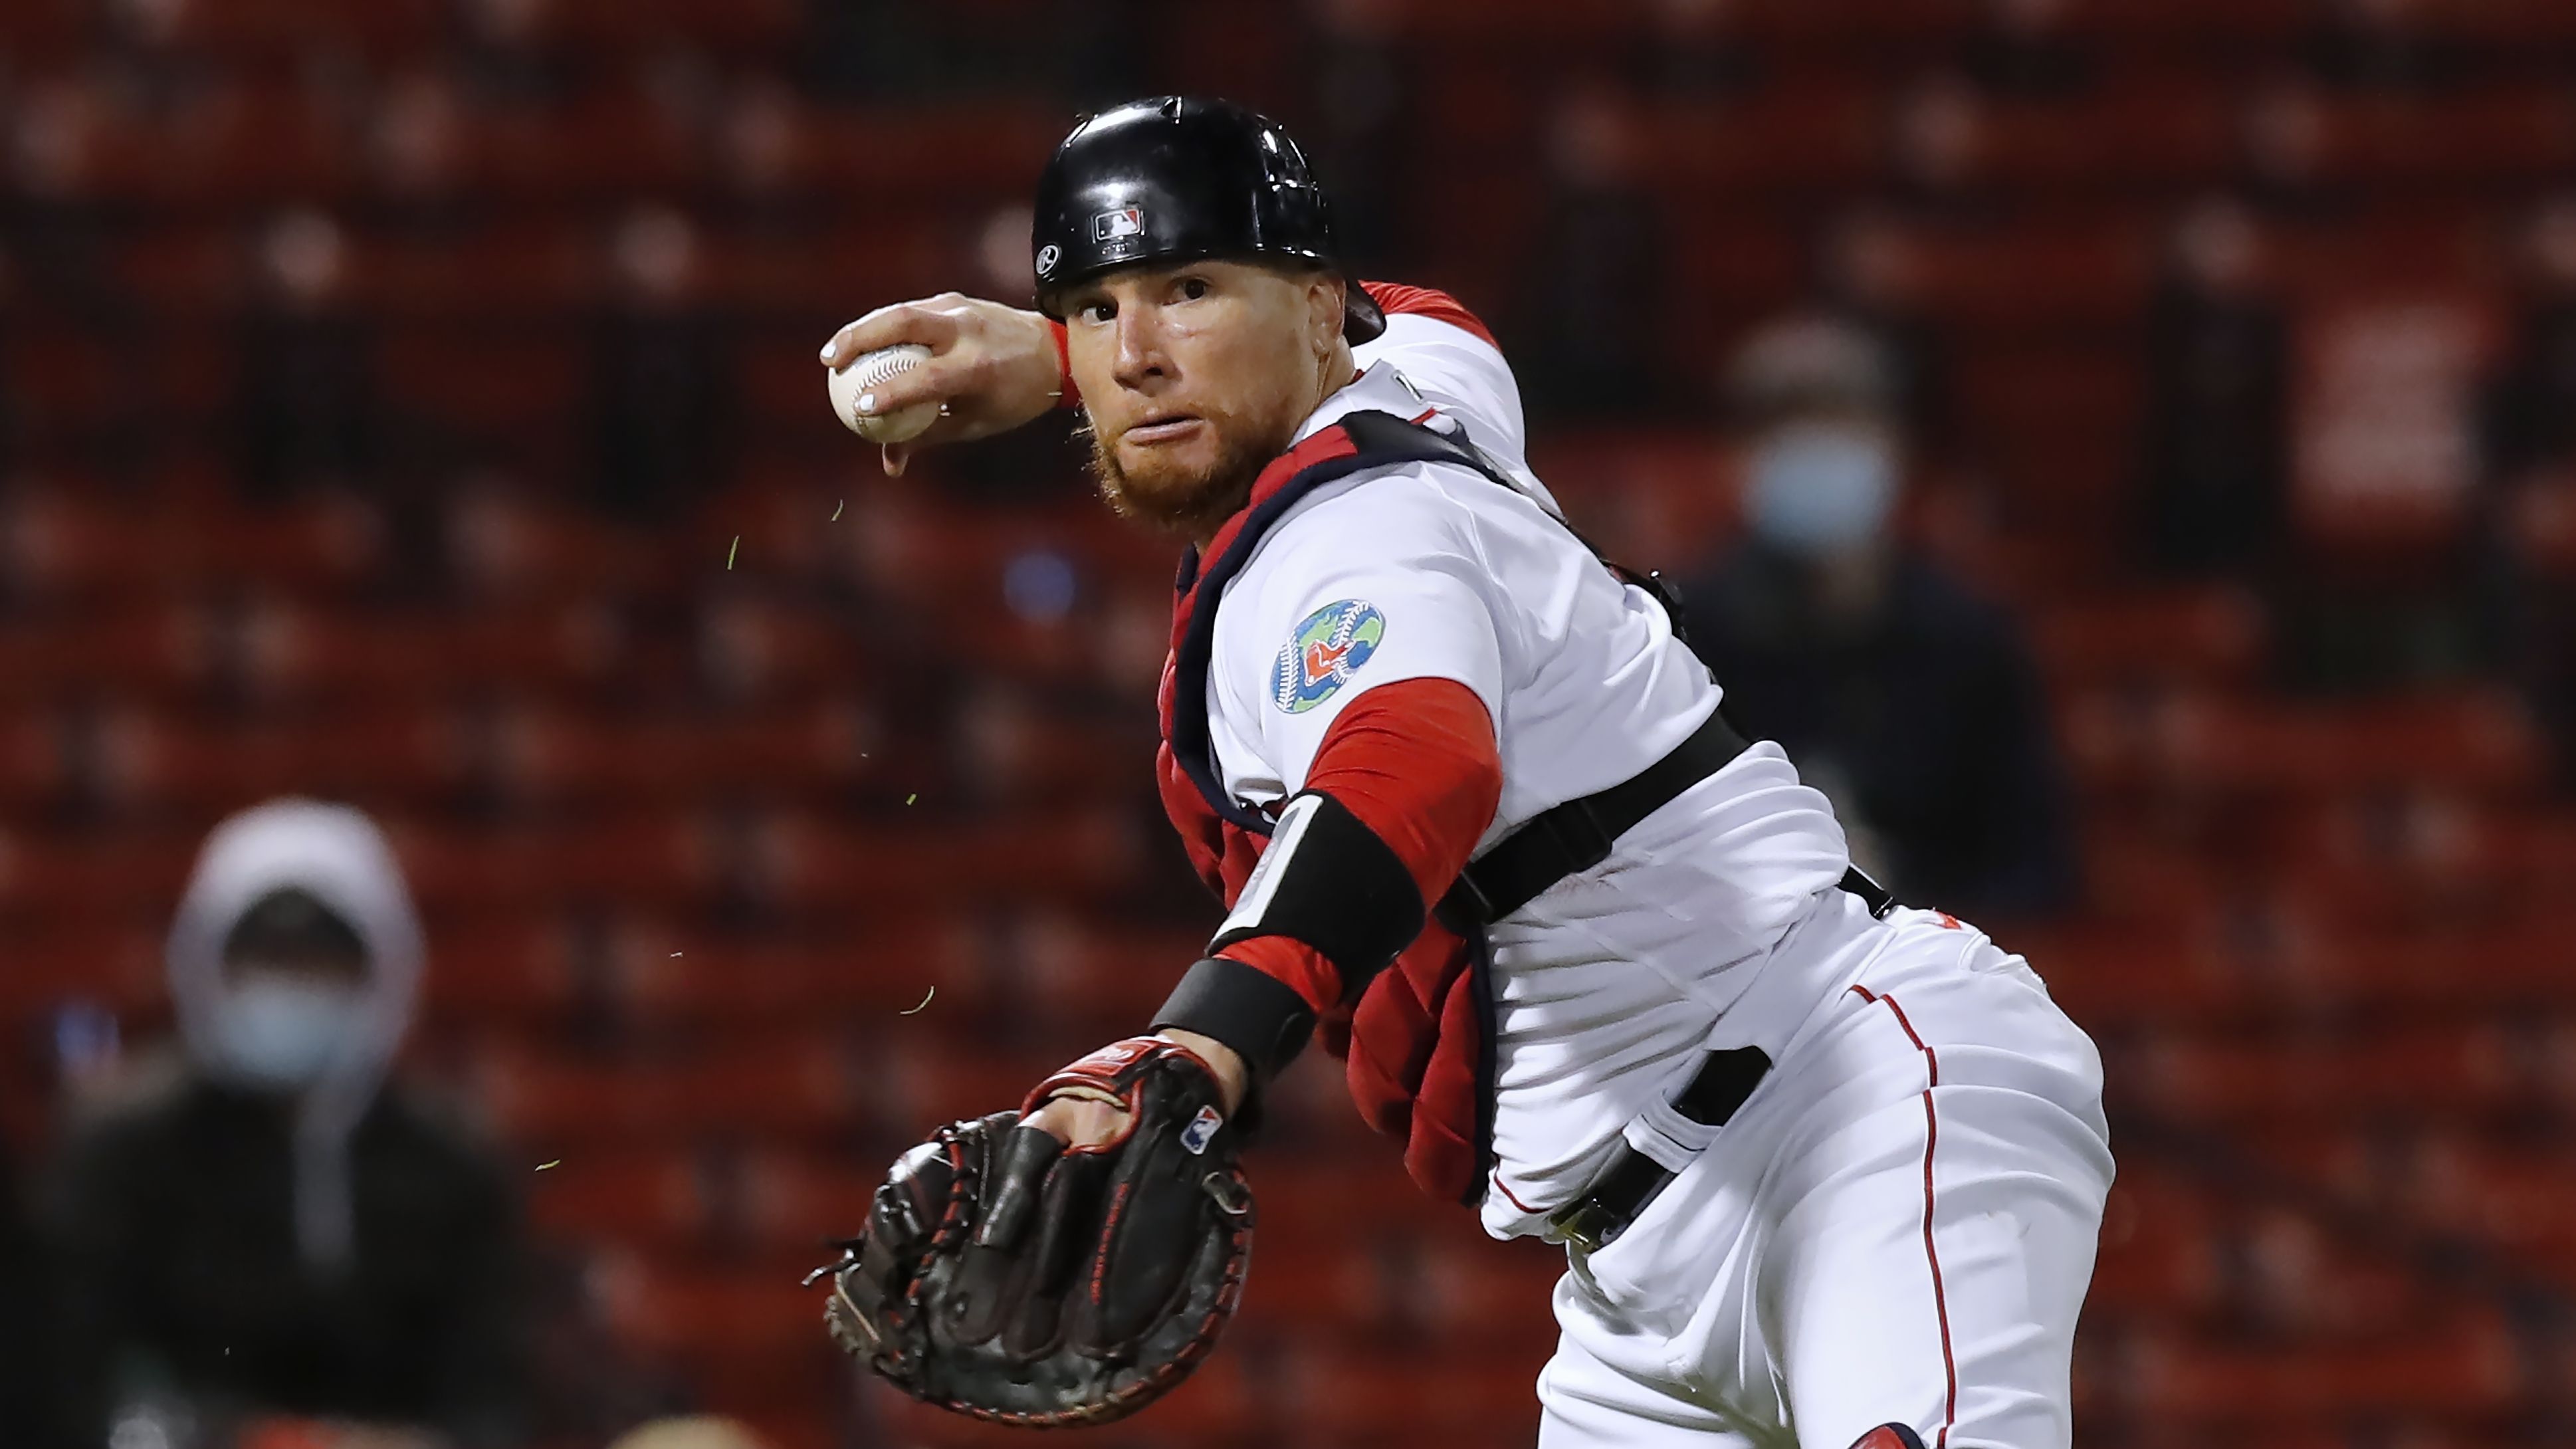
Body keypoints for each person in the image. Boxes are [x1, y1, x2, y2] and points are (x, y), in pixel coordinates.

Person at [818, 97, 2112, 1448]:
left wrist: (1208, 1038)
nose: (1136, 353)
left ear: (1319, 317)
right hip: (1636, 1272)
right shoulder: (1420, 379)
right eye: (1097, 308)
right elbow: (1422, 307)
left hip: (1846, 1107)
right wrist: (1052, 351)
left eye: (1189, 292)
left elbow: (1413, 760)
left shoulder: (1356, 537)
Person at [44, 800, 528, 1448]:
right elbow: (77, 1376)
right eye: (265, 961)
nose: (292, 987)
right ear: (206, 964)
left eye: (320, 964)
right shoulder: (126, 1145)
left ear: (384, 971)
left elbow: (493, 1385)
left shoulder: (450, 1159)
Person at [1677, 316, 2078, 919]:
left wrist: (1905, 902)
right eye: (1785, 430)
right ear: (1738, 460)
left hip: (1935, 965)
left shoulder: (1969, 640)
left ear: (1894, 448)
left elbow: (2038, 869)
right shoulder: (1688, 637)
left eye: (1838, 425)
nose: (1814, 452)